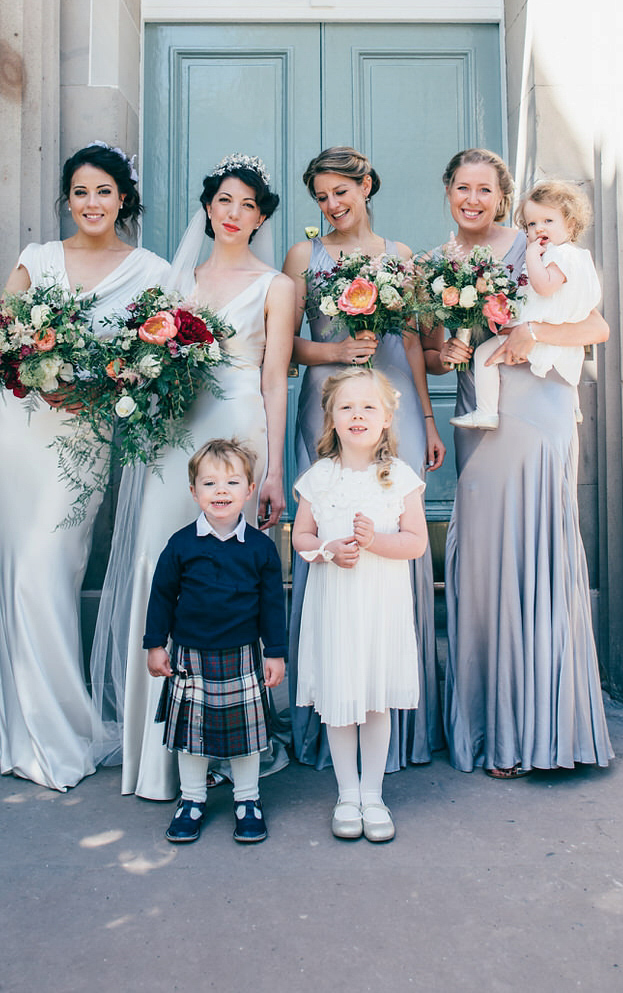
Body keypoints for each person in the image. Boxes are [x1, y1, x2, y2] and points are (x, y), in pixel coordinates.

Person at [92, 154, 296, 800]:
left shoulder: (277, 287)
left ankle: (229, 744)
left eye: (247, 205)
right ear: (207, 209)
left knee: (229, 581)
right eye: (223, 202)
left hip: (239, 427)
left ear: (260, 217)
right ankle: (160, 758)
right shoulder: (175, 279)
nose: (233, 214)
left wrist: (273, 473)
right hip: (176, 432)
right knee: (166, 567)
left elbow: (274, 381)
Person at [0, 143, 170, 791]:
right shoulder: (36, 261)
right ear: (67, 199)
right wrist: (37, 364)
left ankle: (65, 723)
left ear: (125, 199)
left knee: (50, 567)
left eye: (104, 192)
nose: (92, 204)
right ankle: (34, 729)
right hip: (18, 428)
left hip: (85, 434)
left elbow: (169, 352)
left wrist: (101, 381)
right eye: (80, 192)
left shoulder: (151, 270)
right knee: (21, 570)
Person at [422, 149, 613, 777]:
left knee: (532, 547)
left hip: (538, 405)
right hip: (482, 405)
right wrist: (451, 347)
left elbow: (596, 327)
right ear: (448, 191)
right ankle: (484, 727)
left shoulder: (539, 243)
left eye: (485, 189)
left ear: (502, 196)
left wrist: (535, 335)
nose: (472, 198)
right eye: (462, 188)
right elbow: (451, 343)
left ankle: (535, 732)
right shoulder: (441, 261)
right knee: (480, 554)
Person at [282, 146, 444, 772]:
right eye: (321, 197)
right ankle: (325, 722)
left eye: (341, 192)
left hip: (393, 404)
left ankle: (397, 729)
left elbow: (410, 341)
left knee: (389, 540)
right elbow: (287, 344)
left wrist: (426, 419)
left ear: (367, 185)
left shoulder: (399, 257)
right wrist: (337, 350)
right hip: (328, 409)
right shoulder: (305, 256)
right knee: (330, 540)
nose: (332, 205)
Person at [292, 368, 428, 842]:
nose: (357, 415)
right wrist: (327, 550)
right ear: (330, 418)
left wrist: (375, 543)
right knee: (339, 701)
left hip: (379, 610)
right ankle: (346, 793)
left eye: (368, 407)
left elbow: (415, 545)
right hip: (335, 609)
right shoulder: (319, 477)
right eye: (346, 407)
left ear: (387, 418)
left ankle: (373, 794)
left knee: (374, 705)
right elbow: (302, 537)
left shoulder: (401, 478)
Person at [144, 438, 287, 845]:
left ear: (249, 490)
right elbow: (161, 596)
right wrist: (156, 645)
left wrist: (274, 653)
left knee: (246, 735)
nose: (220, 491)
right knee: (193, 735)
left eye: (231, 482)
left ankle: (248, 800)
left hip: (243, 656)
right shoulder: (181, 545)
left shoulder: (259, 548)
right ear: (194, 492)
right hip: (190, 655)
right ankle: (192, 799)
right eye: (209, 484)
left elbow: (272, 605)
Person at [452, 179, 601, 430]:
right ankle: (573, 408)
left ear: (571, 224)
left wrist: (532, 255)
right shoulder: (578, 256)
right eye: (532, 224)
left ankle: (486, 411)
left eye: (548, 221)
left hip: (543, 328)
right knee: (569, 362)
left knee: (483, 354)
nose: (539, 229)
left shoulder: (557, 255)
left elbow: (544, 286)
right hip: (558, 328)